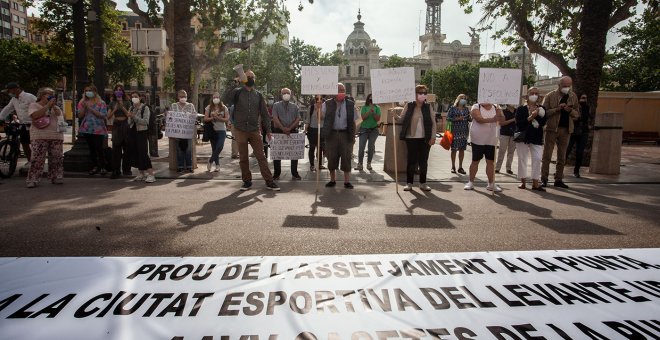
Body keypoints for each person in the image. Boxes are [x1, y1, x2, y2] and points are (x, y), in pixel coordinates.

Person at [224, 70, 279, 191]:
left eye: (252, 77)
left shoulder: (258, 95)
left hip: (254, 130)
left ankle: (269, 181)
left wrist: (269, 131)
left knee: (261, 156)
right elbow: (226, 98)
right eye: (248, 77)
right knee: (243, 157)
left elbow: (264, 114)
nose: (250, 78)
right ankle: (247, 181)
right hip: (240, 130)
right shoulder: (237, 93)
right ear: (243, 78)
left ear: (255, 79)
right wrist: (235, 83)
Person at [541, 76, 580, 188]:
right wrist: (557, 109)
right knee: (547, 155)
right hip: (551, 129)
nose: (567, 88)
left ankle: (558, 179)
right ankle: (544, 178)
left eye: (569, 86)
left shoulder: (573, 96)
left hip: (566, 129)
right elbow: (543, 113)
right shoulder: (550, 96)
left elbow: (577, 114)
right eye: (564, 86)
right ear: (559, 85)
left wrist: (570, 110)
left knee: (562, 156)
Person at [396, 85, 437, 191]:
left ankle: (423, 183)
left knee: (423, 161)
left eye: (424, 93)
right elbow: (401, 119)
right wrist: (395, 116)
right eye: (420, 93)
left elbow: (433, 123)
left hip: (425, 138)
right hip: (411, 138)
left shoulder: (428, 107)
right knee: (411, 161)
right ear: (415, 94)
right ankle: (409, 183)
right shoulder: (409, 105)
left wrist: (433, 137)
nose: (422, 95)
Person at [25, 87, 64, 188]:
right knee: (37, 158)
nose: (51, 96)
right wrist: (47, 106)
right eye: (48, 94)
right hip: (39, 135)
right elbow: (35, 116)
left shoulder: (56, 107)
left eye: (52, 94)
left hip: (56, 135)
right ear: (42, 95)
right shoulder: (34, 105)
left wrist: (55, 108)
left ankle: (55, 177)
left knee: (57, 158)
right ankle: (33, 179)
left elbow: (62, 116)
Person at [322, 83, 357, 189]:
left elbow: (354, 121)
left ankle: (347, 182)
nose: (341, 92)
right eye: (339, 90)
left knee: (346, 157)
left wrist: (353, 135)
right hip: (331, 134)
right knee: (331, 157)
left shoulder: (351, 104)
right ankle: (332, 180)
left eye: (343, 90)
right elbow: (321, 117)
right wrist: (318, 108)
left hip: (346, 134)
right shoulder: (327, 103)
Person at [464, 102, 504, 192]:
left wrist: (500, 113)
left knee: (490, 161)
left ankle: (491, 184)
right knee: (475, 160)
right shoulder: (476, 106)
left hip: (492, 139)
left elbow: (502, 120)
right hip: (478, 139)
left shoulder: (496, 106)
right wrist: (492, 119)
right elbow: (478, 119)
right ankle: (470, 182)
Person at [515, 87, 547, 191]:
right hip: (523, 136)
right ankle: (523, 182)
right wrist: (530, 117)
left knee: (537, 159)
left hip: (536, 137)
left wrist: (536, 115)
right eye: (532, 93)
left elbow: (543, 123)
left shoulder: (542, 109)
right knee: (522, 159)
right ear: (528, 95)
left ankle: (535, 183)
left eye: (536, 93)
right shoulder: (521, 108)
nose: (534, 95)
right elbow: (519, 123)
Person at [0, 82, 37, 165]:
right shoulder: (14, 99)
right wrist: (0, 118)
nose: (9, 93)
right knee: (25, 144)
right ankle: (30, 161)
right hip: (23, 125)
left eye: (10, 91)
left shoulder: (30, 97)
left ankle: (37, 161)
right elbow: (7, 109)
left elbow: (38, 107)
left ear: (16, 89)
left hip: (34, 125)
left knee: (35, 144)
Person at [77, 84, 108, 175]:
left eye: (89, 90)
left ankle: (103, 166)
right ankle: (95, 166)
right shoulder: (82, 102)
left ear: (94, 92)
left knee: (99, 148)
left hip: (98, 129)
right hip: (87, 128)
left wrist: (89, 108)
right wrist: (84, 107)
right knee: (92, 149)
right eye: (86, 91)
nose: (87, 92)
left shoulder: (101, 102)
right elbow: (80, 115)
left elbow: (103, 115)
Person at [272, 88, 301, 180]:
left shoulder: (295, 106)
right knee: (277, 153)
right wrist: (283, 128)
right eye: (284, 93)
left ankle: (294, 173)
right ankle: (276, 173)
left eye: (287, 93)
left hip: (292, 131)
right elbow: (275, 118)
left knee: (294, 154)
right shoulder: (276, 105)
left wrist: (290, 128)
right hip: (278, 131)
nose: (286, 94)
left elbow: (298, 119)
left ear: (291, 94)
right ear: (281, 95)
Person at [127, 92, 156, 183]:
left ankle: (151, 174)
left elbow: (145, 122)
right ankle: (141, 173)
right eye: (132, 97)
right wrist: (131, 117)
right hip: (133, 132)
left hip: (142, 132)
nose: (133, 98)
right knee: (136, 152)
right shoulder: (131, 108)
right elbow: (129, 122)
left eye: (135, 96)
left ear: (140, 98)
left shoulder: (145, 108)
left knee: (143, 152)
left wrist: (134, 117)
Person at [107, 84, 132, 179]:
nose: (118, 91)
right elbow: (108, 116)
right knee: (116, 149)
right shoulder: (112, 103)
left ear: (123, 91)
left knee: (127, 148)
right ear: (114, 92)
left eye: (120, 90)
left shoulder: (127, 102)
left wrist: (122, 107)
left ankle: (126, 169)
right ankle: (116, 170)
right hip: (116, 125)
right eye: (116, 90)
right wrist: (115, 109)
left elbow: (129, 115)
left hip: (125, 124)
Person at [170, 90, 196, 173]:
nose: (183, 98)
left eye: (184, 96)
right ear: (178, 97)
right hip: (177, 132)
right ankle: (180, 167)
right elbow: (170, 118)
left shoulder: (191, 105)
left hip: (187, 132)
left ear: (187, 96)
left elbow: (194, 116)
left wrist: (191, 116)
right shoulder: (173, 105)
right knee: (179, 150)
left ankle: (189, 166)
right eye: (181, 96)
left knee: (188, 149)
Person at [566, 93, 590, 178]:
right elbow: (572, 117)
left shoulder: (586, 107)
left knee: (580, 153)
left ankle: (576, 171)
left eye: (586, 98)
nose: (584, 100)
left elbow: (586, 119)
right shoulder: (573, 107)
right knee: (566, 151)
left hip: (583, 132)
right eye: (583, 98)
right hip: (573, 131)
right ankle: (560, 170)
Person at [355, 93, 381, 171]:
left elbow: (377, 119)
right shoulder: (364, 107)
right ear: (368, 99)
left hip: (374, 130)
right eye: (370, 98)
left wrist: (373, 112)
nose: (371, 100)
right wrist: (369, 111)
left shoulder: (377, 108)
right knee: (361, 147)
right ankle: (360, 164)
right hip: (364, 129)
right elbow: (363, 117)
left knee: (370, 147)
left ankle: (369, 163)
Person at [203, 92, 229, 172]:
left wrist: (218, 118)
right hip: (212, 131)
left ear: (220, 98)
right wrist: (212, 118)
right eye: (214, 97)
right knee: (214, 149)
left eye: (217, 97)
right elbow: (205, 119)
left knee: (219, 147)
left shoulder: (224, 108)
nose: (216, 98)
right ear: (212, 98)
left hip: (221, 130)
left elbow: (226, 119)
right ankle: (217, 165)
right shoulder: (209, 107)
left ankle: (210, 161)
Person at [446, 94, 470, 174]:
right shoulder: (453, 108)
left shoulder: (466, 109)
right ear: (458, 99)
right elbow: (448, 118)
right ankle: (453, 166)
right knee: (454, 150)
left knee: (462, 150)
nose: (463, 99)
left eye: (464, 98)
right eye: (462, 98)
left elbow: (469, 119)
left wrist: (472, 117)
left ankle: (460, 167)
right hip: (455, 132)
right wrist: (457, 118)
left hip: (464, 132)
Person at [305, 95, 325, 172]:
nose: (319, 101)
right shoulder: (311, 108)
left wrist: (319, 109)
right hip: (312, 130)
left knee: (320, 148)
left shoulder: (324, 108)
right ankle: (312, 165)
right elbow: (308, 120)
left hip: (321, 129)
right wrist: (305, 130)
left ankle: (319, 164)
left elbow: (322, 118)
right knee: (312, 148)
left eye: (320, 99)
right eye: (317, 99)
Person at [495, 104, 517, 174]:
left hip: (514, 134)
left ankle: (508, 168)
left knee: (511, 152)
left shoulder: (517, 111)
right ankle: (497, 168)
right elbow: (501, 123)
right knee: (502, 151)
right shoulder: (503, 111)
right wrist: (513, 120)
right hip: (505, 133)